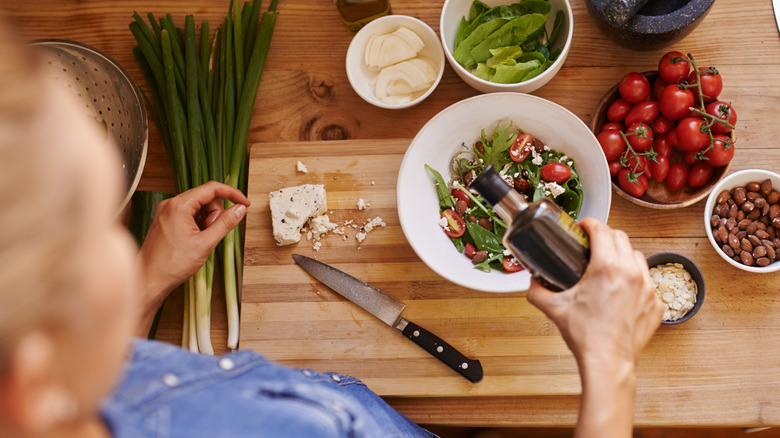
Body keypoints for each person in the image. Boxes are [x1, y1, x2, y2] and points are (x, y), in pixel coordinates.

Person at [0, 19, 664, 438]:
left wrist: (147, 286)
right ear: (31, 377)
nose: (125, 245)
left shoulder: (61, 401)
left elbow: (116, 375)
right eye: (98, 238)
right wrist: (610, 364)